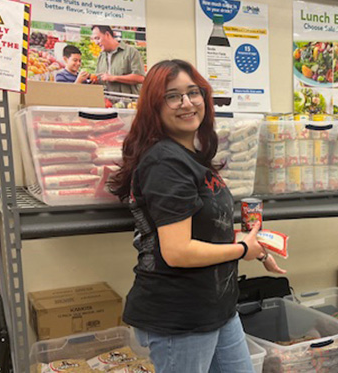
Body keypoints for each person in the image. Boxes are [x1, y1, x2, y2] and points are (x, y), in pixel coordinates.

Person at [110, 59, 285, 373]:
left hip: (216, 306)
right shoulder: (164, 162)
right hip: (181, 315)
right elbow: (177, 251)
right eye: (173, 96)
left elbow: (202, 231)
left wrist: (252, 246)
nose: (186, 103)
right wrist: (243, 250)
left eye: (193, 93)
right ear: (155, 106)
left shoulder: (191, 157)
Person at [91, 25, 145, 95]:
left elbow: (140, 78)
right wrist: (94, 81)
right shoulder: (101, 56)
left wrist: (114, 78)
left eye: (97, 38)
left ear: (107, 35)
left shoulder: (131, 52)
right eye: (94, 39)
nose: (96, 43)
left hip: (128, 103)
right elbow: (101, 80)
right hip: (107, 103)